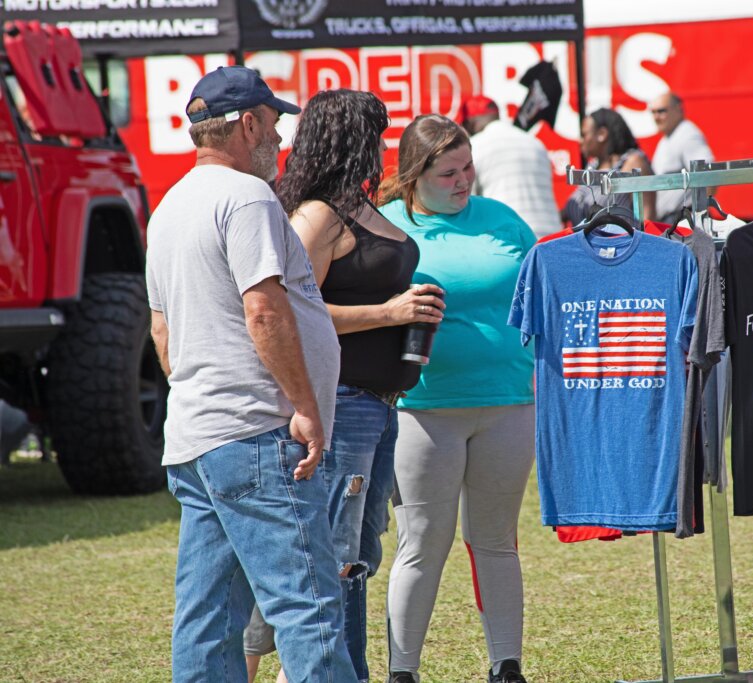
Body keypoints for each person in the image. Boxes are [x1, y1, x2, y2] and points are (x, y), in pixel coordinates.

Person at [145, 66, 356, 683]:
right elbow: (263, 309)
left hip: (198, 434)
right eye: (274, 123)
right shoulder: (246, 196)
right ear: (248, 123)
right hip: (257, 432)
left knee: (207, 618)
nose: (281, 138)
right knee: (307, 608)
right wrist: (306, 406)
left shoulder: (169, 208)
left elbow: (162, 333)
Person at [242, 89, 445, 683]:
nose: (383, 145)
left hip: (378, 405)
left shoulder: (356, 207)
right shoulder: (318, 215)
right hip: (344, 399)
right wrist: (390, 313)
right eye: (375, 134)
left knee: (354, 557)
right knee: (332, 557)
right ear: (349, 139)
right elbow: (292, 309)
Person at [377, 114, 536, 683]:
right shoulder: (387, 227)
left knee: (496, 541)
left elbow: (537, 298)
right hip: (423, 410)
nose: (464, 180)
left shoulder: (504, 221)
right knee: (422, 543)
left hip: (509, 403)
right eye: (449, 173)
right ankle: (404, 671)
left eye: (468, 167)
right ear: (415, 175)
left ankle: (507, 666)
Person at [458, 94, 562, 238]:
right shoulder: (535, 143)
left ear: (470, 122)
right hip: (552, 236)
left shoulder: (475, 146)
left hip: (513, 239)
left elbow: (469, 207)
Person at [560, 107, 656, 225]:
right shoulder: (592, 167)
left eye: (584, 135)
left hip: (620, 243)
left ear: (602, 134)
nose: (580, 141)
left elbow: (647, 219)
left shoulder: (633, 162)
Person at [649, 91, 714, 223]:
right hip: (670, 220)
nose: (656, 117)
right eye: (653, 112)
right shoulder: (669, 136)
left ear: (678, 109)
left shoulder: (687, 135)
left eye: (661, 111)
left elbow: (708, 175)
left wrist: (699, 216)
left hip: (682, 220)